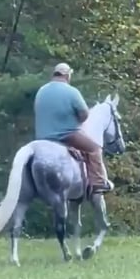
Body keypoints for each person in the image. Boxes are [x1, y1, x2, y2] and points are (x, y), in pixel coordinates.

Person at [33, 63, 113, 193]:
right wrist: (77, 120)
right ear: (67, 75)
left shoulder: (42, 91)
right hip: (66, 135)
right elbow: (84, 114)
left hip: (42, 137)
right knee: (94, 148)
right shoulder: (71, 91)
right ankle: (98, 183)